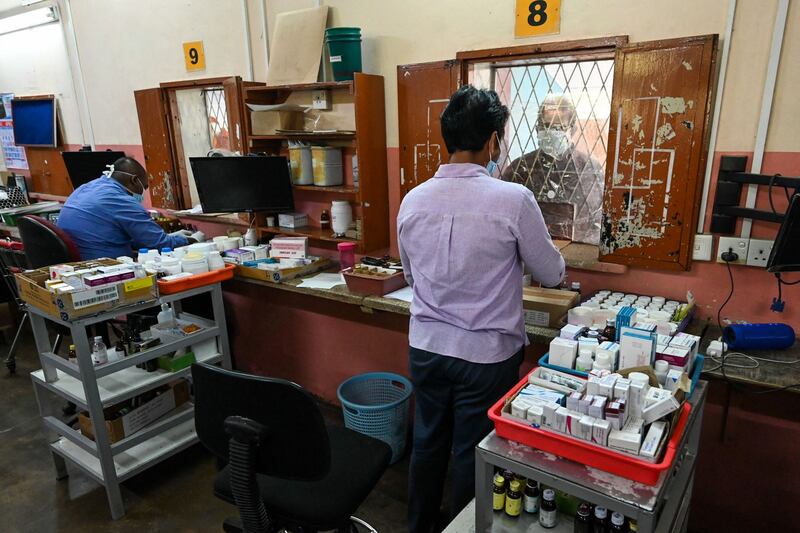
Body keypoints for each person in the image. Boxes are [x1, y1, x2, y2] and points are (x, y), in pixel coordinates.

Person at [398, 85, 565, 533]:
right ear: (493, 140)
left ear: (446, 138)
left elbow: (412, 277)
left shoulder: (412, 200)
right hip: (485, 356)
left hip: (427, 347)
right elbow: (552, 274)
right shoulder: (513, 199)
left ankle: (419, 526)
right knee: (475, 452)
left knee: (428, 443)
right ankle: (463, 527)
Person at [501, 94, 604, 244]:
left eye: (558, 127)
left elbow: (597, 222)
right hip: (528, 254)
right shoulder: (519, 169)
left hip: (578, 252)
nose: (551, 132)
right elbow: (503, 216)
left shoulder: (589, 169)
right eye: (545, 126)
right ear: (537, 129)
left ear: (573, 129)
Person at [58, 157, 195, 259]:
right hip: (103, 267)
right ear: (134, 180)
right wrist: (194, 240)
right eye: (144, 187)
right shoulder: (122, 201)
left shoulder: (87, 187)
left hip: (75, 262)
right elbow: (159, 244)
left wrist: (168, 236)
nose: (142, 194)